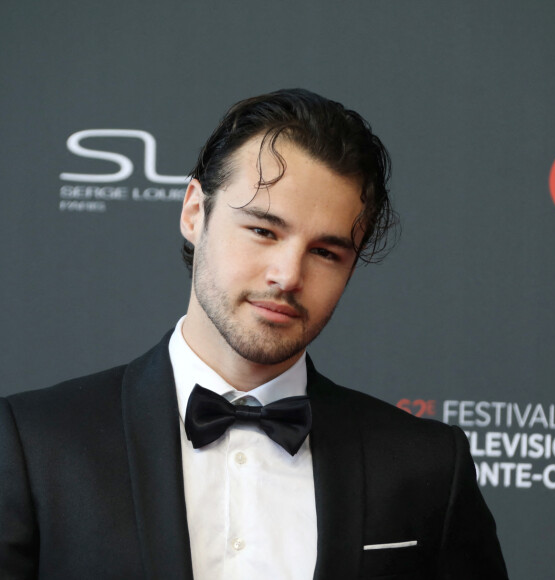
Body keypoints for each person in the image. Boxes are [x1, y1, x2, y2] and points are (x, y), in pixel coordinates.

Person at [0, 89, 508, 579]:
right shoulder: (35, 444)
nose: (288, 276)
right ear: (195, 212)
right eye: (264, 231)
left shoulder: (428, 467)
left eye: (326, 252)